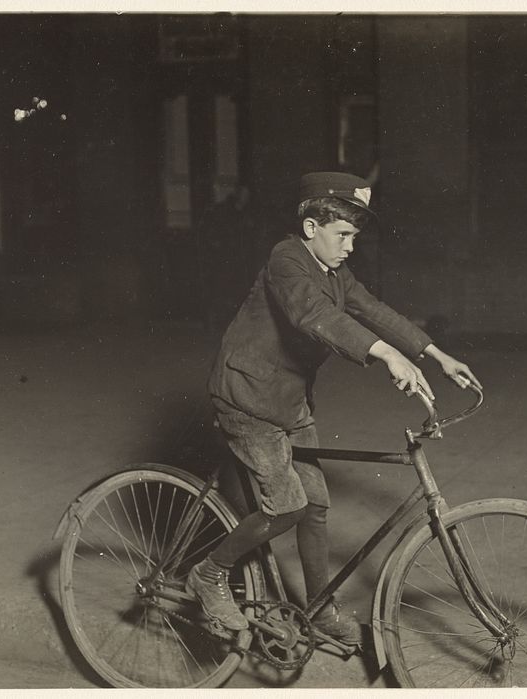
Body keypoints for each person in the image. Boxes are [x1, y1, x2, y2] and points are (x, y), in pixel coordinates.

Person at [187, 171, 482, 644]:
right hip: (248, 399)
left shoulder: (336, 272)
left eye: (354, 236)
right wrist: (384, 354)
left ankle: (319, 610)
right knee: (286, 507)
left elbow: (374, 310)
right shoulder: (287, 260)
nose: (350, 246)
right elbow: (314, 316)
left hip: (289, 401)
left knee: (316, 506)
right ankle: (208, 574)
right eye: (342, 235)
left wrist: (436, 354)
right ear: (311, 229)